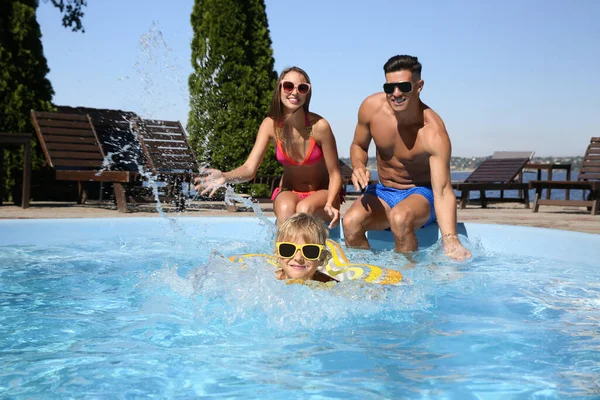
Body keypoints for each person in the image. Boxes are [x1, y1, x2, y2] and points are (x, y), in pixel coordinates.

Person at [342, 55, 471, 261]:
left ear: (418, 86)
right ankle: (366, 275)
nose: (396, 94)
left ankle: (407, 279)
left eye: (403, 86)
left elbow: (443, 190)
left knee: (400, 217)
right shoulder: (371, 108)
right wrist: (358, 165)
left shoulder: (432, 131)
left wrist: (450, 238)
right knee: (350, 221)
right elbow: (359, 145)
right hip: (384, 191)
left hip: (421, 195)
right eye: (389, 87)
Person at [194, 66, 343, 228]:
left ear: (307, 93)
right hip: (289, 191)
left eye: (302, 88)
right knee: (286, 209)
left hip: (322, 194)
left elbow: (335, 174)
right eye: (288, 86)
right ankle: (282, 253)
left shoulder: (320, 127)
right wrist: (225, 176)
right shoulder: (270, 125)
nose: (294, 92)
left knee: (304, 209)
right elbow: (249, 169)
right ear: (279, 89)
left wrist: (330, 203)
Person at [273, 212, 336, 283]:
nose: (298, 258)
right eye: (288, 249)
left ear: (322, 258)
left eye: (309, 251)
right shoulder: (268, 282)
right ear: (278, 254)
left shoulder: (329, 286)